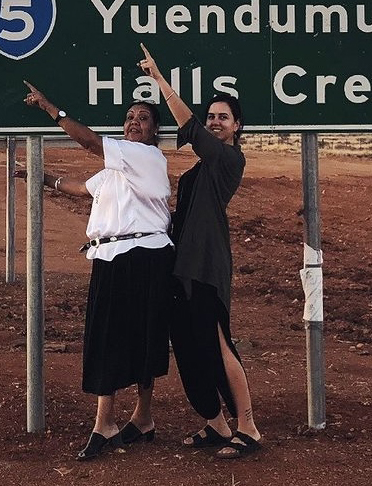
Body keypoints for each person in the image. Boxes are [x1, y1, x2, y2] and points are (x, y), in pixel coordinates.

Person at [16, 80, 174, 461]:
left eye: (144, 118)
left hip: (142, 255)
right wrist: (41, 177)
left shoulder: (146, 158)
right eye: (130, 117)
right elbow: (83, 188)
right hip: (113, 258)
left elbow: (88, 142)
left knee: (129, 338)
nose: (134, 121)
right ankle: (142, 419)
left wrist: (51, 108)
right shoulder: (117, 169)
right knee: (121, 337)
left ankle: (107, 423)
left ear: (155, 131)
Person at [138, 44, 262, 459]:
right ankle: (215, 424)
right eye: (212, 116)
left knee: (217, 341)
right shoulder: (198, 169)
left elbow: (189, 127)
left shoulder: (228, 160)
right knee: (188, 346)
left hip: (206, 263)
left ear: (237, 127)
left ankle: (248, 427)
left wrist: (159, 79)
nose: (214, 122)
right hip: (181, 264)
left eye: (222, 118)